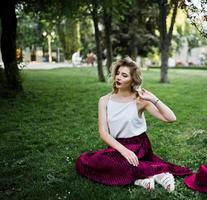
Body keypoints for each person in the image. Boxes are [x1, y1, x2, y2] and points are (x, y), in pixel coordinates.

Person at [75, 57, 192, 192]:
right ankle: (145, 178)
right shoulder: (104, 100)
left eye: (124, 75)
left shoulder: (140, 100)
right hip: (117, 145)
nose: (118, 77)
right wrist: (124, 151)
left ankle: (161, 175)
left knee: (119, 164)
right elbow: (103, 132)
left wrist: (153, 99)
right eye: (118, 73)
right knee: (84, 162)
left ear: (132, 80)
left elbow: (171, 118)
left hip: (138, 144)